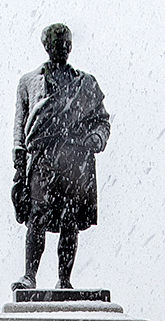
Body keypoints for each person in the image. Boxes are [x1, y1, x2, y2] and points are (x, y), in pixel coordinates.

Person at [11, 24, 110, 290]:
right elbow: (20, 127)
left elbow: (102, 121)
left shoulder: (85, 83)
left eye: (66, 45)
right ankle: (29, 275)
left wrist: (96, 138)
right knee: (37, 216)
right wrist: (19, 165)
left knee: (70, 220)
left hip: (74, 158)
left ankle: (64, 281)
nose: (62, 49)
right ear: (47, 47)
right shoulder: (29, 82)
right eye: (56, 45)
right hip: (42, 158)